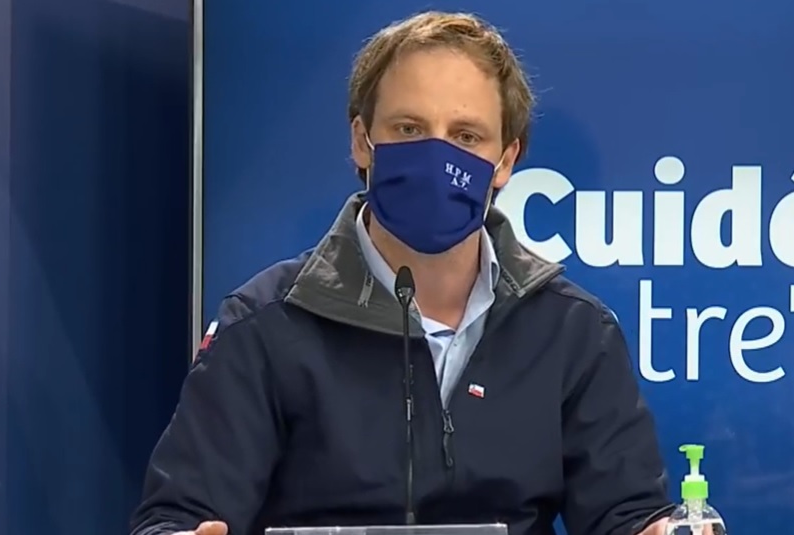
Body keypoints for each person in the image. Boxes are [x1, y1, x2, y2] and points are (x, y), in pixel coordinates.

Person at [131, 11, 679, 535]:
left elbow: (627, 514)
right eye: (410, 128)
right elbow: (179, 514)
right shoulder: (264, 325)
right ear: (361, 141)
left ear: (506, 161)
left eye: (466, 137)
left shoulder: (572, 331)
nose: (437, 157)